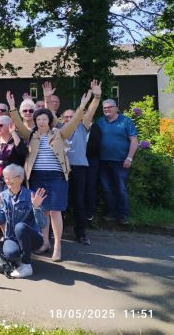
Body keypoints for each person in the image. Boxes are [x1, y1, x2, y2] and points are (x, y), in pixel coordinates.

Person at [7, 89, 92, 262]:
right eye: (38, 119)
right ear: (35, 121)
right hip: (37, 176)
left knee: (55, 211)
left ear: (49, 120)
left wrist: (82, 106)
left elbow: (74, 122)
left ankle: (57, 246)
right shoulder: (31, 135)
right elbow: (18, 124)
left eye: (44, 119)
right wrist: (12, 107)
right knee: (42, 210)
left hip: (57, 177)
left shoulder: (60, 133)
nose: (41, 121)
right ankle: (45, 242)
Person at [61, 80, 102, 244]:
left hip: (79, 168)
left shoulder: (83, 126)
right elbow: (48, 114)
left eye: (72, 116)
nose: (69, 119)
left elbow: (90, 112)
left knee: (79, 201)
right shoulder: (60, 128)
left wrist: (96, 97)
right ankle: (57, 231)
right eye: (66, 117)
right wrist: (47, 98)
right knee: (61, 200)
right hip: (62, 169)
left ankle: (81, 233)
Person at [0, 164, 47, 279]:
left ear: (21, 178)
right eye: (5, 178)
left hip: (33, 238)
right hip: (12, 237)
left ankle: (26, 265)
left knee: (20, 227)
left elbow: (42, 224)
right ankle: (20, 256)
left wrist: (36, 207)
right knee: (10, 253)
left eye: (11, 177)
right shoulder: (2, 196)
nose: (7, 181)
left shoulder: (31, 196)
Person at [96, 98, 138, 225]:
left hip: (121, 161)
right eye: (104, 108)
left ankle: (123, 215)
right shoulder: (100, 122)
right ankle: (111, 213)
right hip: (102, 161)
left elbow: (134, 140)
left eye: (109, 107)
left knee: (121, 189)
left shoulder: (126, 121)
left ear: (116, 108)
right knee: (106, 189)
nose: (107, 109)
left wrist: (129, 158)